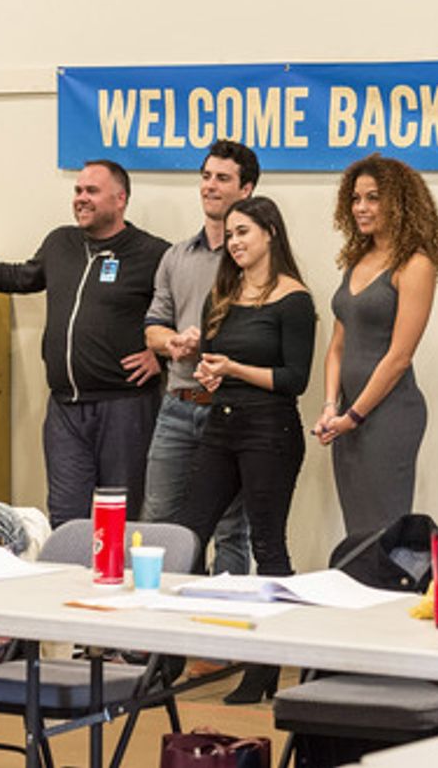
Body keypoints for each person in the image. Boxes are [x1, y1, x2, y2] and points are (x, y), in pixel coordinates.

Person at [0, 159, 168, 526]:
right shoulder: (60, 242)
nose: (81, 198)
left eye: (92, 191)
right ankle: (70, 584)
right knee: (66, 518)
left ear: (120, 199)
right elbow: (18, 277)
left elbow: (188, 312)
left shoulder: (153, 253)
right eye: (78, 190)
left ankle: (118, 583)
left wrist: (162, 357)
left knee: (120, 520)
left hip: (125, 407)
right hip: (65, 409)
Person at [175, 197, 315, 704]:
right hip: (223, 423)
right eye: (229, 234)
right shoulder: (228, 293)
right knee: (186, 535)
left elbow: (294, 379)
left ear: (269, 234)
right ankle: (169, 654)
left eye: (243, 233)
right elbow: (222, 363)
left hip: (269, 431)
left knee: (267, 545)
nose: (233, 242)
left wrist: (232, 368)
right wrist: (212, 370)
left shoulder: (294, 299)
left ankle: (266, 666)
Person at [313, 153, 438, 535]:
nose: (361, 207)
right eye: (356, 198)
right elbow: (338, 346)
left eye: (373, 198)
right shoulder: (356, 261)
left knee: (383, 533)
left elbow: (398, 357)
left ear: (398, 201)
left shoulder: (415, 264)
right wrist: (330, 407)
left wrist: (353, 416)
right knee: (357, 531)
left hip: (389, 416)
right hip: (347, 417)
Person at [142, 140, 258, 573]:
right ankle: (160, 633)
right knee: (159, 522)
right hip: (176, 406)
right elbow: (153, 326)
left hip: (229, 408)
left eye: (223, 178)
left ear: (246, 190)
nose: (210, 186)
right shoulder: (176, 256)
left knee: (231, 529)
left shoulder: (256, 258)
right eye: (206, 176)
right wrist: (170, 342)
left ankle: (219, 631)